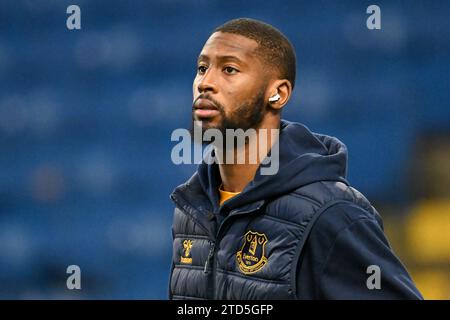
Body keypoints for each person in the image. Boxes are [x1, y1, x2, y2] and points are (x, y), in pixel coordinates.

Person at [169, 18, 423, 299]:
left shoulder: (332, 214)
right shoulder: (193, 209)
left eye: (229, 69)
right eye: (202, 68)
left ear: (278, 94)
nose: (205, 83)